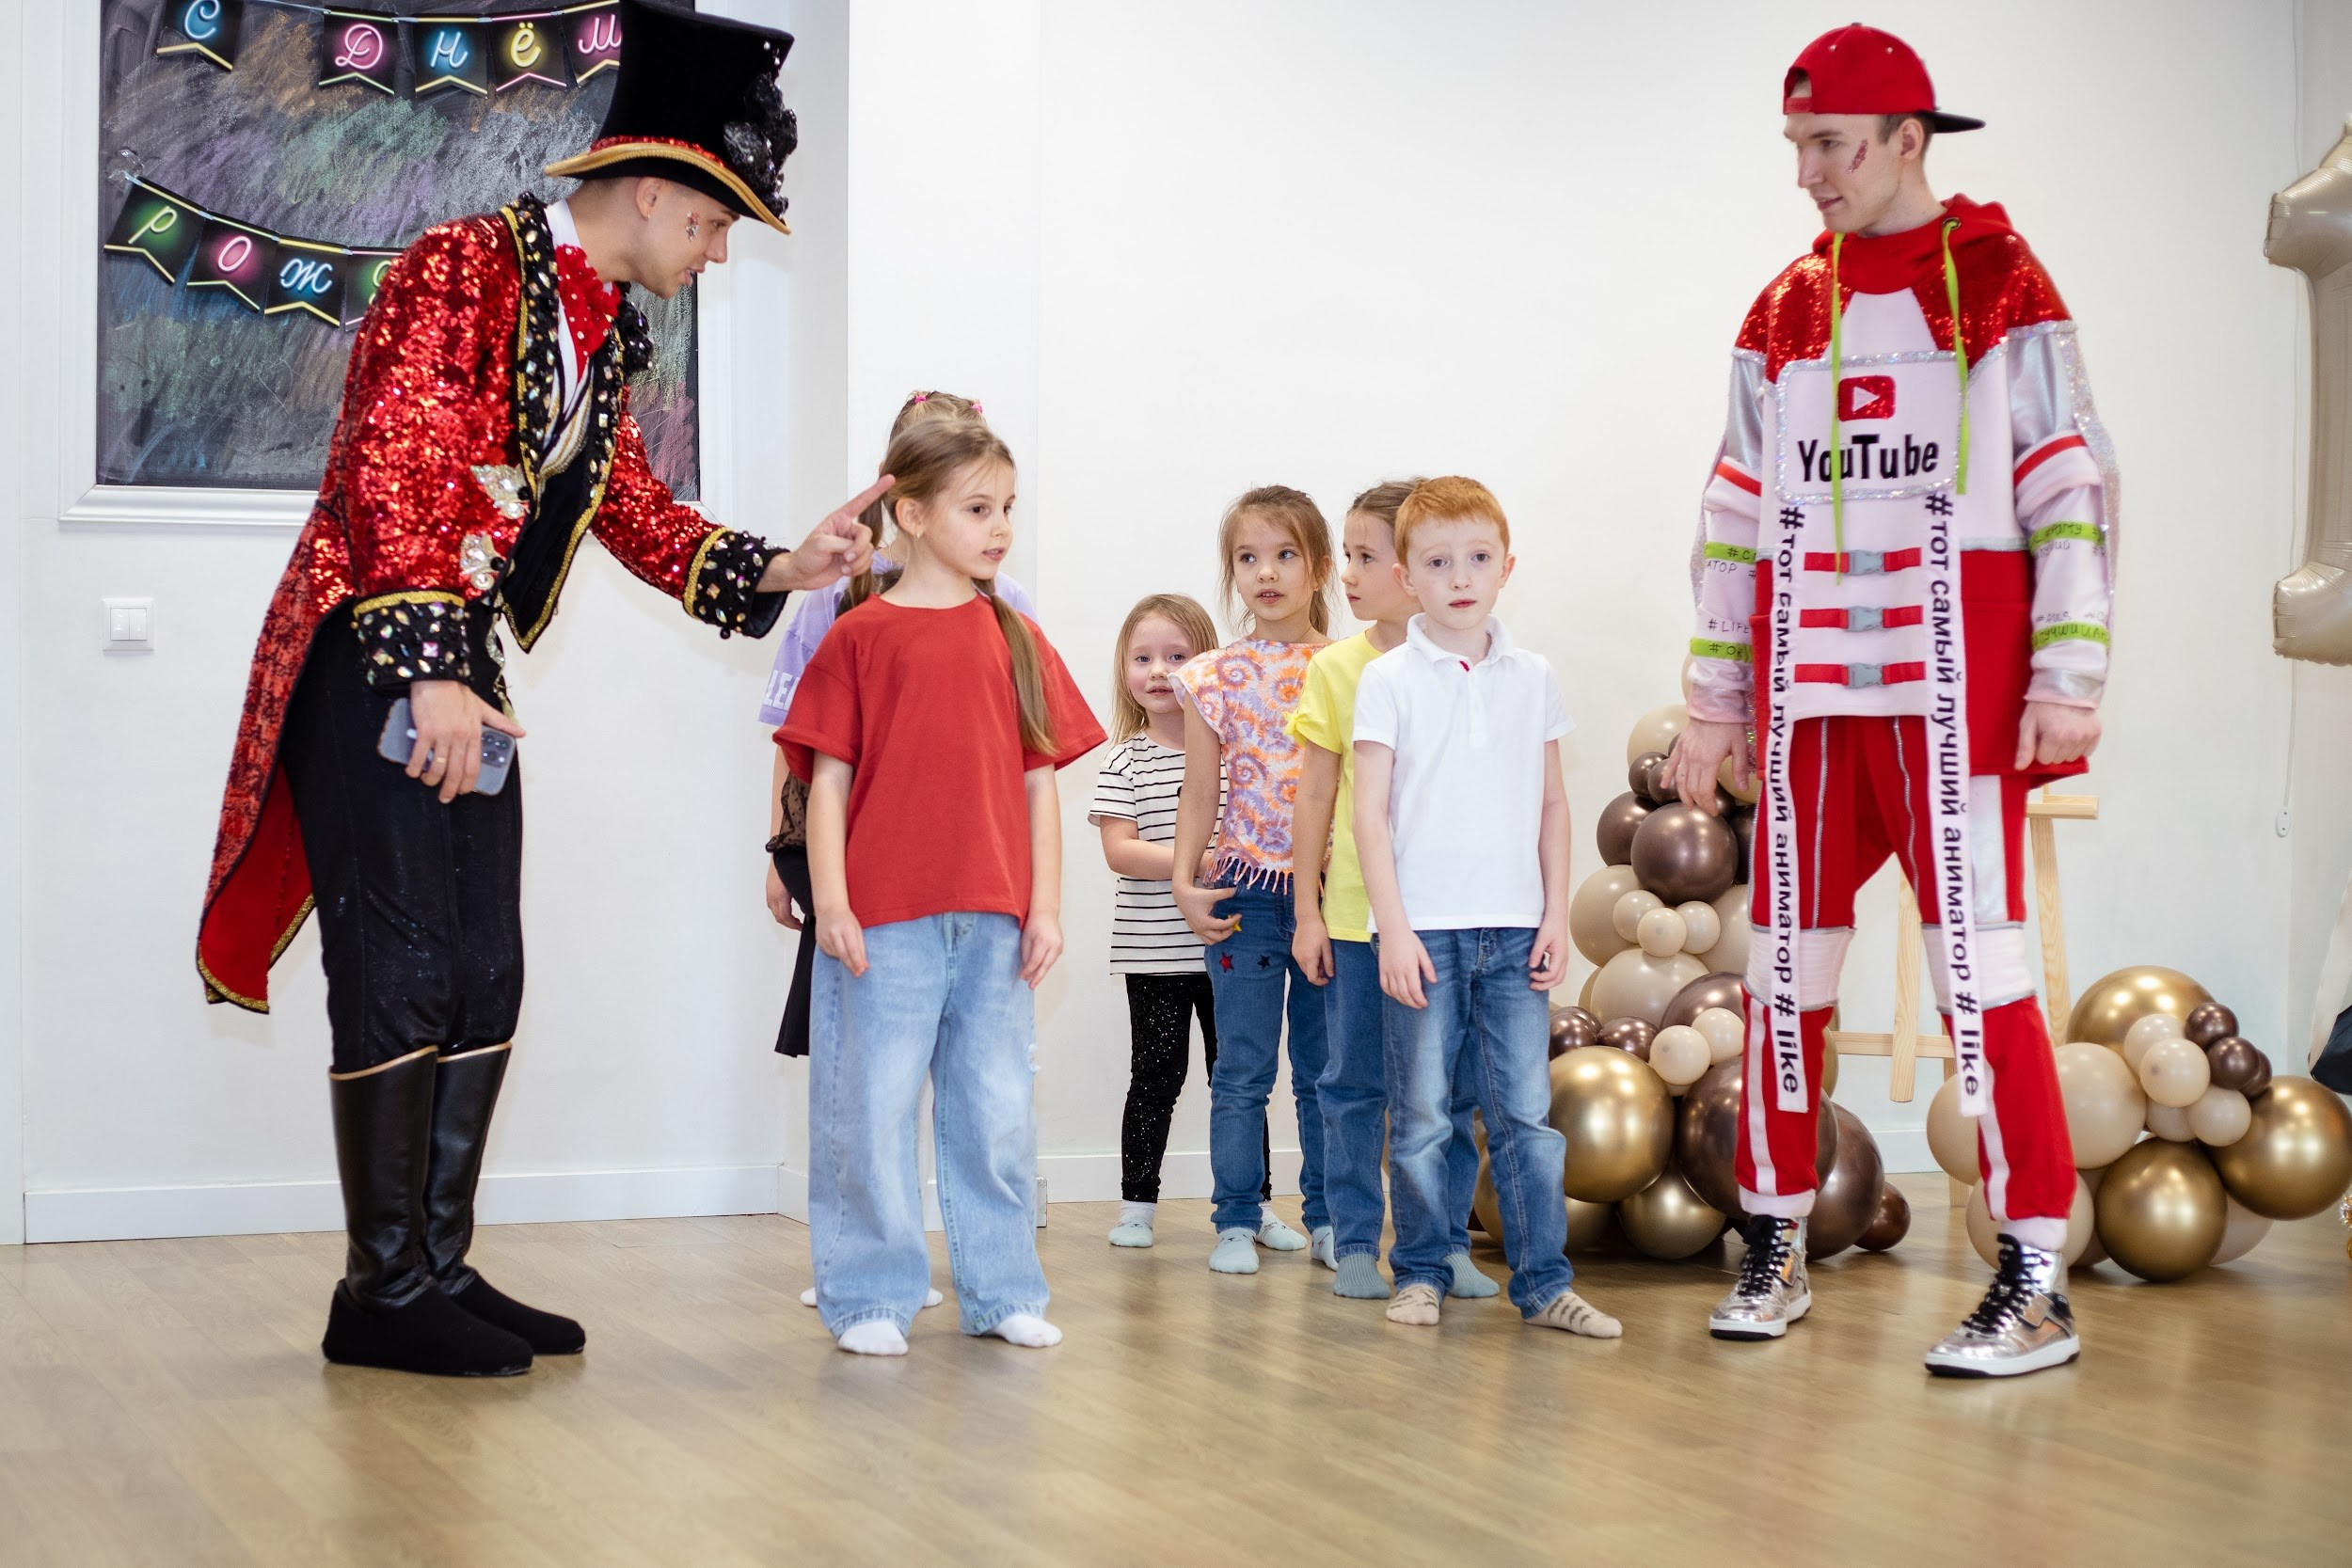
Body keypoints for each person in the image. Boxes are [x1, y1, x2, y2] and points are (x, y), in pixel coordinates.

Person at [194, 0, 878, 1380]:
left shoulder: (600, 329)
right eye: (713, 224)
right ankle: (382, 1289)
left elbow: (626, 508)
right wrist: (434, 669)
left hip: (458, 661)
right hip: (375, 649)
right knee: (402, 961)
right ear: (649, 193)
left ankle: (435, 1264)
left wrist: (784, 564)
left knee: (482, 961)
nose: (717, 251)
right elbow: (394, 460)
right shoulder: (458, 264)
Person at [1664, 24, 2115, 1378]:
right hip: (1810, 705)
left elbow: (2065, 485)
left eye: (1831, 145)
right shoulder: (1783, 309)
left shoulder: (2004, 285)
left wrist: (2069, 674)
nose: (1808, 173)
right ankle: (1776, 1235)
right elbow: (1734, 511)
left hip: (1955, 702)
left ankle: (2034, 1275)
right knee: (1782, 974)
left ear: (1908, 139)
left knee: (1989, 980)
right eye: (1796, 145)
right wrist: (1715, 695)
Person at [781, 417, 1104, 1356]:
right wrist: (831, 902)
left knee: (996, 1111)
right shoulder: (858, 637)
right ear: (914, 515)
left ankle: (1001, 1288)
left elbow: (1039, 783)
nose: (1000, 527)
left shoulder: (1016, 637)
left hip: (996, 920)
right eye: (977, 508)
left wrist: (1046, 907)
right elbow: (827, 782)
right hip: (882, 920)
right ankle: (869, 1294)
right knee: (870, 1108)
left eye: (1008, 508)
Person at [1352, 478, 1619, 1338]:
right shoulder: (1387, 679)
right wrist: (1393, 928)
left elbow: (1552, 804)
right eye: (1437, 563)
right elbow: (1369, 812)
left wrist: (1553, 917)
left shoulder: (1533, 676)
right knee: (1423, 1118)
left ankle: (1544, 1285)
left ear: (1506, 567)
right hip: (1423, 933)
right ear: (1406, 577)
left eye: (1477, 558)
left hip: (1513, 933)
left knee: (1525, 1119)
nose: (1460, 577)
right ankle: (1420, 1272)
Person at [758, 390, 1034, 1062]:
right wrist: (781, 853)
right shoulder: (839, 595)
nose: (994, 523)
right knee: (869, 1052)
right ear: (906, 494)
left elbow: (1026, 756)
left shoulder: (1007, 607)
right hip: (859, 861)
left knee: (970, 1056)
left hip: (970, 868)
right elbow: (799, 740)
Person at [1290, 481, 1494, 1302]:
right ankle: (1351, 1237)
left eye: (1365, 556)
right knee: (1354, 1084)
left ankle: (1445, 1243)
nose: (1347, 573)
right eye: (1347, 555)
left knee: (1450, 1091)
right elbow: (1314, 795)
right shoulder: (1336, 669)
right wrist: (1306, 911)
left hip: (1449, 918)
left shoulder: (1475, 667)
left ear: (1409, 569)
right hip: (1353, 918)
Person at [1169, 487, 1334, 1274]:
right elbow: (1200, 790)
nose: (1265, 572)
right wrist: (1183, 878)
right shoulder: (1213, 676)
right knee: (1242, 1067)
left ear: (1320, 567)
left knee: (1327, 1070)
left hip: (1332, 894)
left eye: (1284, 554)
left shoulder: (1351, 668)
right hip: (1244, 893)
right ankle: (1236, 1215)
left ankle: (1331, 1217)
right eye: (1247, 557)